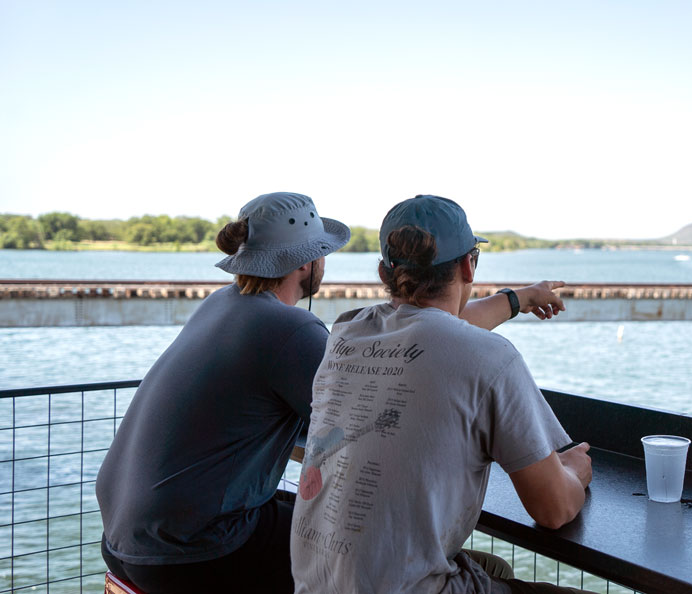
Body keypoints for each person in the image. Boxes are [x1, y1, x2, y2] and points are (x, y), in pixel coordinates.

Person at [96, 191, 567, 594]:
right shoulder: (290, 330)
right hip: (194, 549)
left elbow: (430, 334)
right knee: (352, 547)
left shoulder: (224, 305)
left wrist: (516, 300)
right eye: (323, 249)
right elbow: (424, 349)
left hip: (124, 536)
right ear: (307, 261)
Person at [290, 194, 595, 594]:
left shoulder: (346, 332)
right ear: (469, 265)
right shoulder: (491, 358)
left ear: (384, 271)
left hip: (314, 586)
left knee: (490, 567)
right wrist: (574, 471)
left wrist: (519, 299)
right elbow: (554, 509)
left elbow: (432, 328)